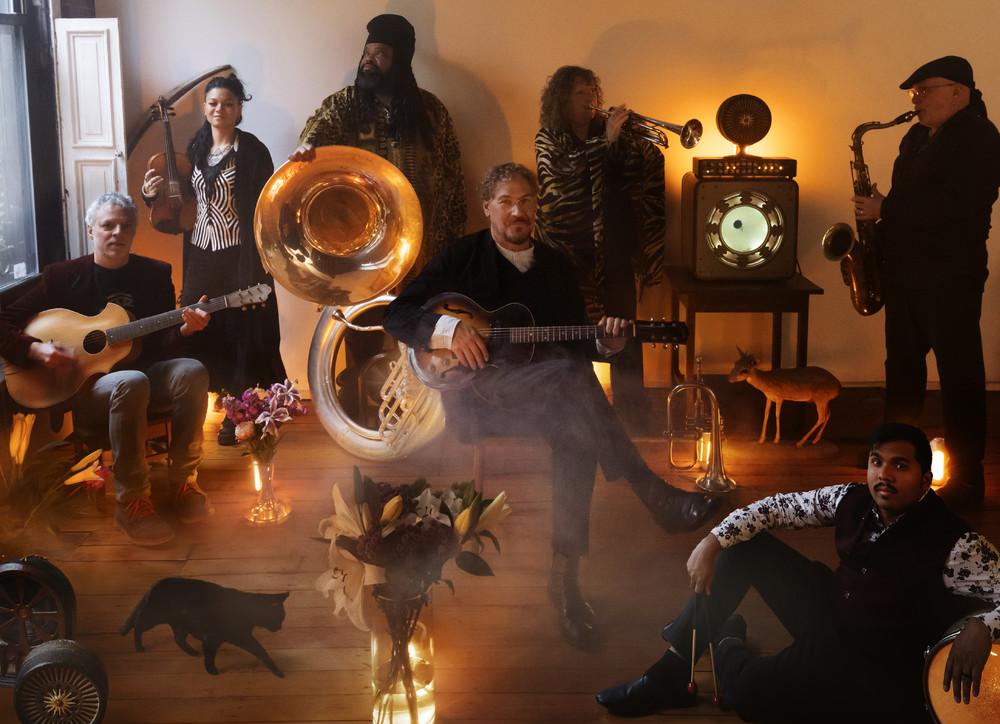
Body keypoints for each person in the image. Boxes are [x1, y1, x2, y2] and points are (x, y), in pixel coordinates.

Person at [383, 163, 717, 648]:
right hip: (480, 398)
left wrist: (607, 345)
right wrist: (448, 331)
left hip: (548, 399)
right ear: (488, 207)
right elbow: (396, 313)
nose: (517, 211)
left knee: (575, 422)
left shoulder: (556, 266)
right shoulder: (462, 257)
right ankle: (650, 495)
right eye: (506, 201)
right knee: (574, 388)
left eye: (526, 201)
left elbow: (579, 344)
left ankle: (565, 579)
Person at [597, 422, 1000, 724]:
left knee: (748, 696)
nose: (884, 475)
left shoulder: (957, 544)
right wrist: (712, 540)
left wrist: (983, 626)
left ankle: (727, 640)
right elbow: (775, 508)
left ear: (926, 480)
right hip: (831, 608)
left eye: (900, 466)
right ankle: (670, 673)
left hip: (868, 661)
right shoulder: (852, 498)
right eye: (877, 462)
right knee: (744, 545)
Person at [0, 193, 213, 546]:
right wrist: (35, 349)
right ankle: (132, 502)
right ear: (91, 230)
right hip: (86, 388)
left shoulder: (155, 274)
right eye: (108, 225)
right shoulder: (62, 277)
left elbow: (160, 344)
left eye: (125, 226)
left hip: (144, 375)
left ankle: (184, 481)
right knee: (131, 380)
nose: (117, 232)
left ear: (134, 231)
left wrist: (185, 330)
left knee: (192, 370)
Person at [852, 56, 1000, 506]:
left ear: (959, 92)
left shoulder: (980, 138)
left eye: (924, 90)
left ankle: (967, 480)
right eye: (913, 93)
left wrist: (887, 209)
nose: (916, 100)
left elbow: (961, 207)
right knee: (901, 371)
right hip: (906, 273)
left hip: (949, 276)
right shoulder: (916, 137)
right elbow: (912, 201)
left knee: (959, 376)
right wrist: (880, 225)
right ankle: (894, 460)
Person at [142, 73, 286, 446]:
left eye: (227, 104)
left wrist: (261, 260)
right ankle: (201, 404)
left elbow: (267, 206)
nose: (219, 109)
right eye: (213, 103)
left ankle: (238, 411)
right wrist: (150, 194)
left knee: (240, 331)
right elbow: (178, 209)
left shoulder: (252, 150)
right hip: (201, 253)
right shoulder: (195, 149)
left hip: (239, 254)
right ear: (205, 108)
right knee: (197, 324)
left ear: (239, 109)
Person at [535, 66, 666, 433]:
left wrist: (631, 138)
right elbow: (563, 176)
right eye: (580, 93)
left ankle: (634, 417)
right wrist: (606, 141)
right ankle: (574, 415)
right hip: (570, 254)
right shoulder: (548, 138)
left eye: (593, 92)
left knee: (625, 329)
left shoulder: (606, 132)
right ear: (562, 99)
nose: (590, 100)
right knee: (573, 332)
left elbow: (643, 168)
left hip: (615, 249)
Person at [289, 13, 465, 268]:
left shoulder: (432, 111)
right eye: (366, 53)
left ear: (400, 61)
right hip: (362, 254)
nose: (368, 60)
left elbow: (453, 182)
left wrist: (454, 250)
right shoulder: (346, 104)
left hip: (426, 254)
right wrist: (307, 147)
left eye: (380, 54)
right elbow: (315, 136)